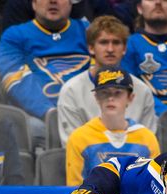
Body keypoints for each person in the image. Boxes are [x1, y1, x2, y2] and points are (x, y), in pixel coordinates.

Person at [58, 16, 159, 146]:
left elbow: (148, 144)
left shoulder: (142, 90)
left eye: (116, 43)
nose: (110, 49)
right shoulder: (71, 90)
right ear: (91, 48)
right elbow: (71, 145)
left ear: (124, 49)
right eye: (103, 42)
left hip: (133, 164)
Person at [0, 0, 90, 120]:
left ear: (71, 3)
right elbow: (15, 78)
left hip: (88, 111)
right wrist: (47, 111)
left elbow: (104, 70)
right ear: (34, 3)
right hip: (41, 117)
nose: (53, 1)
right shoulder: (14, 36)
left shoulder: (89, 31)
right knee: (33, 129)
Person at [65, 67, 159, 186]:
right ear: (96, 97)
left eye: (118, 93)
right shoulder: (79, 137)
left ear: (130, 98)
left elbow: (153, 185)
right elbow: (74, 187)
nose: (110, 98)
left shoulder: (146, 138)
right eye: (104, 93)